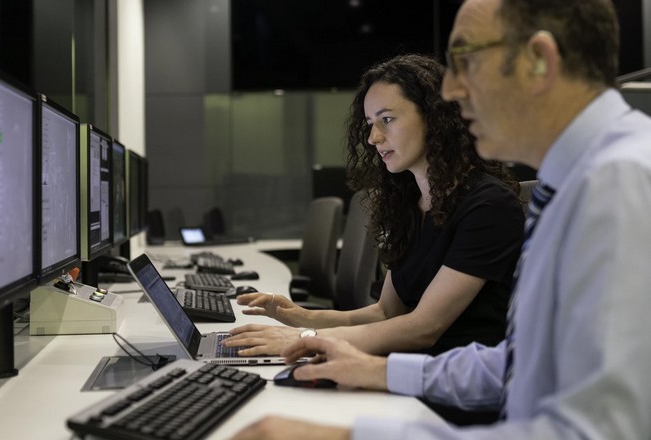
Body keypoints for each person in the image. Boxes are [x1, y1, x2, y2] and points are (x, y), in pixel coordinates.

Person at [229, 0, 651, 439]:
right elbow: (516, 365)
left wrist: (351, 437)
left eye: (466, 61)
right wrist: (376, 370)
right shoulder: (572, 185)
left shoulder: (619, 184)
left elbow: (596, 432)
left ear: (539, 60)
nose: (450, 90)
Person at [223, 53, 524, 359]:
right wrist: (301, 317)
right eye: (370, 124)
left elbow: (425, 327)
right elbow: (386, 313)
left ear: (435, 117)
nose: (373, 138)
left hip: (451, 378)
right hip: (403, 367)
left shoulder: (488, 205)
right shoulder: (408, 204)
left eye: (387, 120)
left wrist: (305, 339)